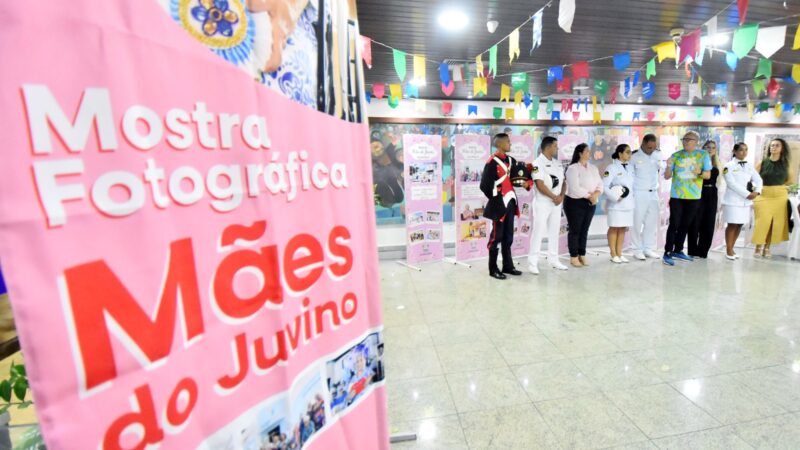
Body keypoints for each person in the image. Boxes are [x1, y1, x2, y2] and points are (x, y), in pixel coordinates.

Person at [663, 131, 712, 266]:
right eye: (684, 139)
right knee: (674, 224)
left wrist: (699, 172)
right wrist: (668, 166)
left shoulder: (703, 155)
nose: (685, 142)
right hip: (677, 196)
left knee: (685, 224)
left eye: (689, 139)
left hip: (694, 196)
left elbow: (707, 175)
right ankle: (667, 252)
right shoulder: (676, 155)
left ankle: (678, 250)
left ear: (696, 141)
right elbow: (667, 176)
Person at [480, 133, 525, 279]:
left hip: (511, 202)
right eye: (508, 142)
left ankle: (508, 266)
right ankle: (493, 269)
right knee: (496, 236)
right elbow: (485, 185)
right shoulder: (492, 162)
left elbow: (516, 178)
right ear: (499, 144)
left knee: (508, 236)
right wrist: (496, 199)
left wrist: (525, 182)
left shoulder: (511, 160)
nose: (510, 144)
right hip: (499, 205)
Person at [528, 136, 569, 274]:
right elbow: (539, 185)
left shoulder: (558, 163)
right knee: (538, 232)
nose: (557, 148)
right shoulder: (536, 163)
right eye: (555, 146)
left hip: (557, 203)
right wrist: (554, 197)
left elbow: (564, 182)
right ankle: (532, 262)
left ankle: (554, 259)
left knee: (554, 231)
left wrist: (561, 196)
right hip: (543, 202)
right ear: (548, 147)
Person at [753, 138, 794, 258]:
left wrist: (780, 188)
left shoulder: (786, 165)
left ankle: (767, 247)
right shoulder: (762, 163)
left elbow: (790, 181)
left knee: (773, 224)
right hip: (764, 194)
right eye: (772, 145)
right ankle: (758, 247)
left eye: (777, 145)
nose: (773, 147)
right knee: (762, 222)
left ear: (782, 149)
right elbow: (754, 178)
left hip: (780, 196)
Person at [564, 143, 603, 267]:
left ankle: (582, 254)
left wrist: (596, 194)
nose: (589, 153)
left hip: (591, 202)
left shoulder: (593, 168)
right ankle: (574, 256)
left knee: (584, 230)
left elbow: (600, 184)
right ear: (580, 153)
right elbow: (574, 188)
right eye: (587, 151)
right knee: (575, 230)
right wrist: (590, 196)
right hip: (575, 203)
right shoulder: (573, 168)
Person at [722, 143, 763, 260]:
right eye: (741, 150)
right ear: (734, 151)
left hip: (746, 202)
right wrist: (747, 194)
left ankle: (732, 248)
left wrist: (757, 192)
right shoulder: (728, 166)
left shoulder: (749, 165)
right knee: (732, 224)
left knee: (739, 224)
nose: (744, 152)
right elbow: (731, 183)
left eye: (746, 150)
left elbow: (758, 179)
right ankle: (728, 250)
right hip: (733, 200)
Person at [688, 140, 723, 259]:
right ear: (703, 148)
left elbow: (719, 181)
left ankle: (703, 251)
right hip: (698, 192)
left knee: (708, 223)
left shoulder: (718, 163)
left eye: (713, 147)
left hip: (712, 193)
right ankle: (692, 250)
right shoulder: (698, 161)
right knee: (695, 222)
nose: (710, 149)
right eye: (708, 147)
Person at [630, 134, 663, 260]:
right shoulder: (633, 157)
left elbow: (663, 168)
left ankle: (648, 248)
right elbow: (630, 176)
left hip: (653, 192)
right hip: (639, 192)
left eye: (654, 148)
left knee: (651, 222)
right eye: (649, 147)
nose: (651, 150)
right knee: (637, 222)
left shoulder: (657, 155)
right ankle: (637, 249)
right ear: (642, 144)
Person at [604, 144, 635, 263]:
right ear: (620, 154)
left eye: (630, 152)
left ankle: (619, 253)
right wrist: (614, 197)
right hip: (616, 204)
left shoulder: (631, 167)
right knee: (614, 227)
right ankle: (613, 254)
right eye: (627, 152)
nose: (629, 154)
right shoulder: (611, 168)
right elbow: (605, 186)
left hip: (628, 204)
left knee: (622, 228)